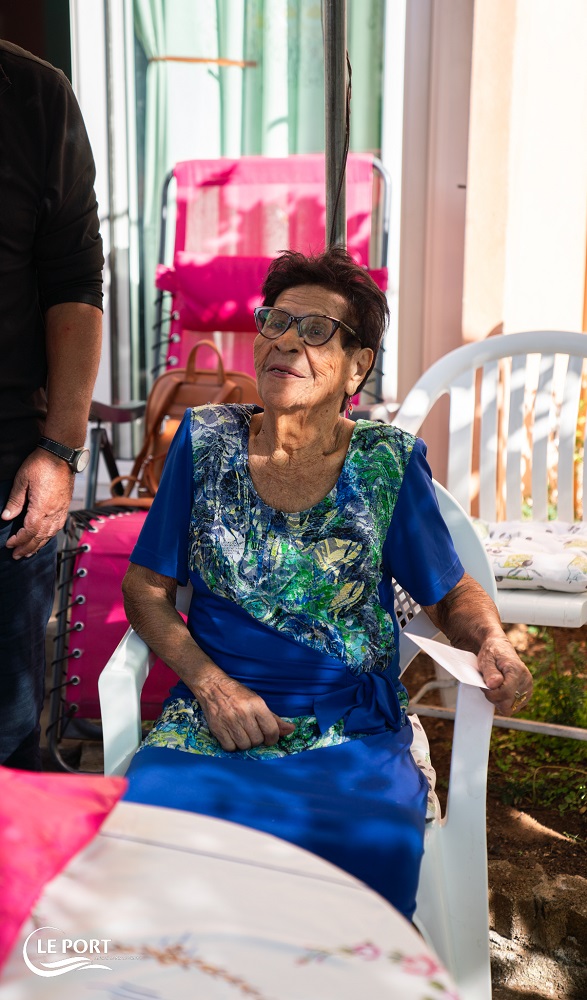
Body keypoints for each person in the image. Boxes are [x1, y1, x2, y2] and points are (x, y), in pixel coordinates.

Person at [121, 247, 532, 920]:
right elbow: (145, 588)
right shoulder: (204, 442)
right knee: (152, 840)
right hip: (215, 720)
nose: (286, 341)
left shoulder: (384, 463)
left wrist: (491, 640)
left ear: (356, 366)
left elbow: (450, 592)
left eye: (315, 331)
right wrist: (212, 686)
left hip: (348, 730)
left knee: (364, 859)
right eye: (275, 321)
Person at [0, 40, 103, 770]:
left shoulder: (36, 95)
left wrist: (61, 449)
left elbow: (74, 281)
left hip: (7, 464)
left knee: (7, 733)